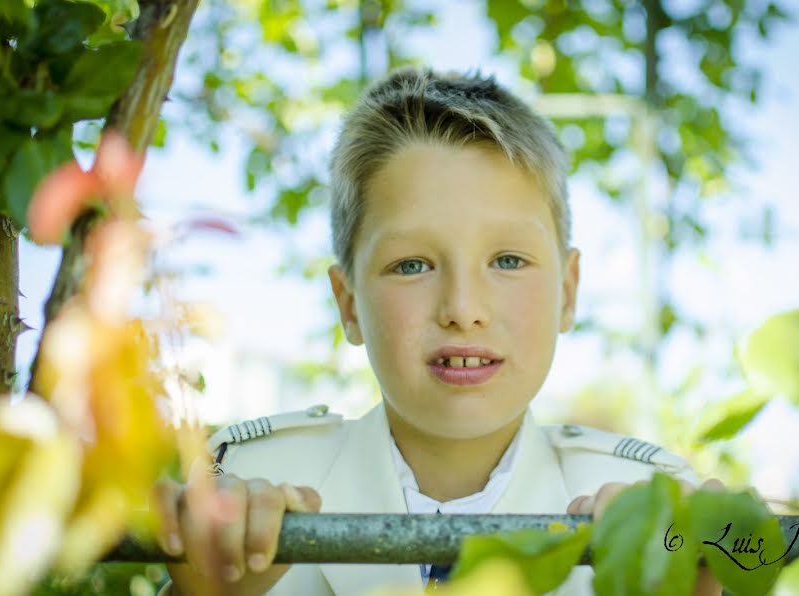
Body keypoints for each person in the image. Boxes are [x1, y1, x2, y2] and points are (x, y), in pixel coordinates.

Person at [153, 66, 723, 596]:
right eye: (412, 265)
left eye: (507, 261)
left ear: (568, 293)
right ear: (348, 305)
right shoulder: (249, 488)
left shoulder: (651, 508)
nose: (463, 309)